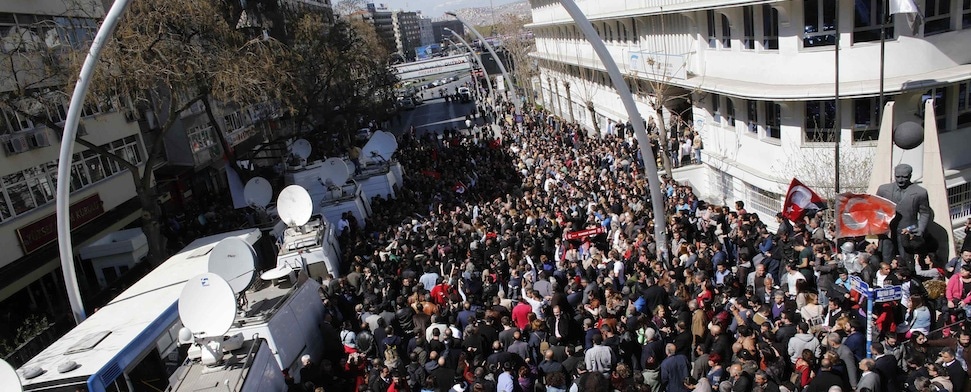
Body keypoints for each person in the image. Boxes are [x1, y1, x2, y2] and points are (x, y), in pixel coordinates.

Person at [875, 164, 933, 266]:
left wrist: (920, 230)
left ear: (910, 176)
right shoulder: (883, 190)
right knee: (886, 259)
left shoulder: (920, 192)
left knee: (907, 261)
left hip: (907, 232)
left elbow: (925, 212)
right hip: (887, 232)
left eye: (904, 177)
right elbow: (876, 209)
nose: (901, 180)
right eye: (898, 176)